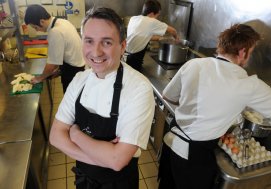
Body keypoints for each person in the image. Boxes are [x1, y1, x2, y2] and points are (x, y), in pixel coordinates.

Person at [157, 24, 271, 189]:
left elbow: (168, 96)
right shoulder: (249, 84)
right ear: (243, 51)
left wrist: (193, 107)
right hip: (194, 156)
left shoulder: (194, 64)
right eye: (250, 52)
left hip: (171, 141)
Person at [49, 7, 155, 189]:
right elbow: (56, 136)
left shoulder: (139, 88)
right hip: (84, 179)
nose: (96, 52)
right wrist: (103, 158)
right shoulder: (79, 80)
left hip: (119, 183)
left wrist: (75, 134)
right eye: (89, 41)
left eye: (106, 42)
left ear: (122, 46)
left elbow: (117, 160)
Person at [24, 4, 85, 93]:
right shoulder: (63, 22)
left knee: (71, 102)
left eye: (35, 27)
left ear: (41, 21)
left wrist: (39, 78)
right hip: (79, 67)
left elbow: (52, 64)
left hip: (73, 73)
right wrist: (60, 70)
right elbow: (68, 51)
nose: (36, 30)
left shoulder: (55, 32)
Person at [125, 0, 179, 71]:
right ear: (151, 13)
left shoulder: (134, 18)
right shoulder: (151, 21)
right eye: (157, 15)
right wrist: (176, 38)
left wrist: (161, 38)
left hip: (126, 56)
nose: (157, 18)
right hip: (134, 59)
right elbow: (173, 30)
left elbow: (144, 36)